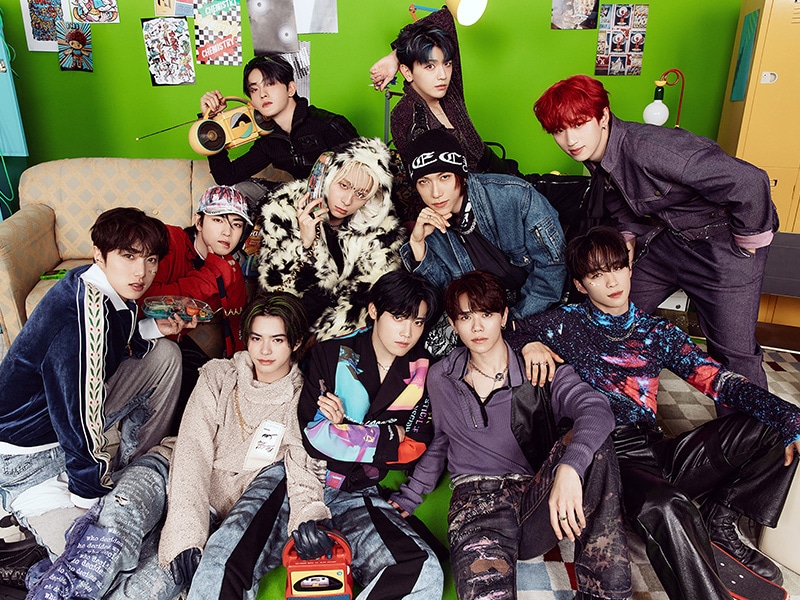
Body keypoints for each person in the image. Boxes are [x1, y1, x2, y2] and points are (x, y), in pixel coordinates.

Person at [506, 226, 800, 600]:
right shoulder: (564, 323)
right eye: (597, 275)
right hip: (606, 459)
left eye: (617, 267)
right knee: (667, 504)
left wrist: (789, 416)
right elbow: (500, 334)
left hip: (653, 450)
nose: (612, 281)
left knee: (777, 423)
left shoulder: (655, 332)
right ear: (580, 285)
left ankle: (720, 521)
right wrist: (528, 343)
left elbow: (718, 381)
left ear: (629, 267)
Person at [27, 292, 331, 600]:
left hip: (215, 509)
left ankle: (44, 576)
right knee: (105, 543)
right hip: (166, 468)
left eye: (277, 340)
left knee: (145, 589)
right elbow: (193, 449)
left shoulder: (302, 400)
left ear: (296, 343)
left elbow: (301, 470)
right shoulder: (218, 375)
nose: (264, 350)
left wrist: (308, 519)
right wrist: (186, 532)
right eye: (256, 338)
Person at [388, 270, 631, 600]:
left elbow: (597, 409)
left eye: (486, 314)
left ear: (503, 317)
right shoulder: (441, 377)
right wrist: (411, 495)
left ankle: (604, 595)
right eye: (466, 317)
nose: (477, 327)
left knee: (595, 441)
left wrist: (570, 468)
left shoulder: (539, 369)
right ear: (454, 324)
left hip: (534, 502)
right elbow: (443, 438)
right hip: (475, 508)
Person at [533, 74, 777, 394]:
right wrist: (627, 237)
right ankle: (606, 405)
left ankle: (753, 427)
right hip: (669, 242)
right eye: (559, 130)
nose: (570, 139)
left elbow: (750, 181)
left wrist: (747, 245)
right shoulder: (596, 153)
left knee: (733, 354)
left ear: (603, 116)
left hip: (721, 244)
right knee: (609, 312)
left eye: (579, 124)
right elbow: (620, 199)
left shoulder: (652, 149)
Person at [0, 207, 189, 557]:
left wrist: (152, 328)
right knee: (93, 549)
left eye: (150, 259)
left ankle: (139, 462)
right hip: (27, 454)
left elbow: (110, 340)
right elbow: (75, 417)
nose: (141, 272)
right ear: (99, 255)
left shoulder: (103, 287)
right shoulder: (79, 319)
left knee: (164, 355)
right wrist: (89, 491)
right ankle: (23, 520)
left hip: (57, 424)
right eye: (128, 256)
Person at [297, 270, 444, 597]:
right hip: (301, 482)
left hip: (359, 493)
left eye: (418, 322)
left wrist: (345, 430)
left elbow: (414, 448)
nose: (407, 332)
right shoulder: (331, 353)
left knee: (424, 572)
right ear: (374, 310)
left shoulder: (424, 370)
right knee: (230, 556)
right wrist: (389, 436)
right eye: (399, 317)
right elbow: (315, 437)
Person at [400, 129, 565, 354]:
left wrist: (512, 321)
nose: (435, 192)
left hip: (538, 306)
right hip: (482, 319)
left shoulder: (514, 196)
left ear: (461, 174)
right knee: (434, 346)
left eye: (444, 177)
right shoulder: (431, 229)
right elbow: (445, 295)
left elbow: (552, 268)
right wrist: (418, 245)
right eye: (423, 182)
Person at [258, 136, 405, 342]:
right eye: (343, 185)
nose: (347, 201)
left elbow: (369, 298)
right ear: (326, 178)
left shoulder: (380, 231)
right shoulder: (284, 210)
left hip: (338, 336)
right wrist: (307, 246)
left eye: (361, 194)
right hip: (286, 326)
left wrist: (325, 338)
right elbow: (276, 295)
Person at [143, 185, 252, 431]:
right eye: (218, 220)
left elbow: (235, 324)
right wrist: (210, 276)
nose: (227, 232)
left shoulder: (230, 266)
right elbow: (144, 299)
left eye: (236, 224)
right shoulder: (169, 242)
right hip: (146, 341)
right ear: (198, 221)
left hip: (195, 348)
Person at [370, 8, 509, 175]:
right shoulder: (404, 115)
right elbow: (425, 178)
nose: (443, 75)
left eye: (447, 64)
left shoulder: (450, 89)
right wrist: (400, 56)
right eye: (430, 66)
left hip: (501, 172)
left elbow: (444, 18)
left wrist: (394, 56)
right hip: (473, 188)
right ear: (407, 72)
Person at [201, 53, 358, 185]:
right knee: (243, 189)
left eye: (270, 84)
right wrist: (212, 125)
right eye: (254, 89)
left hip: (344, 203)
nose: (262, 94)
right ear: (251, 102)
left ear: (290, 89)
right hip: (303, 204)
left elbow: (365, 170)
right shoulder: (269, 140)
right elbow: (227, 176)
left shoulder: (329, 125)